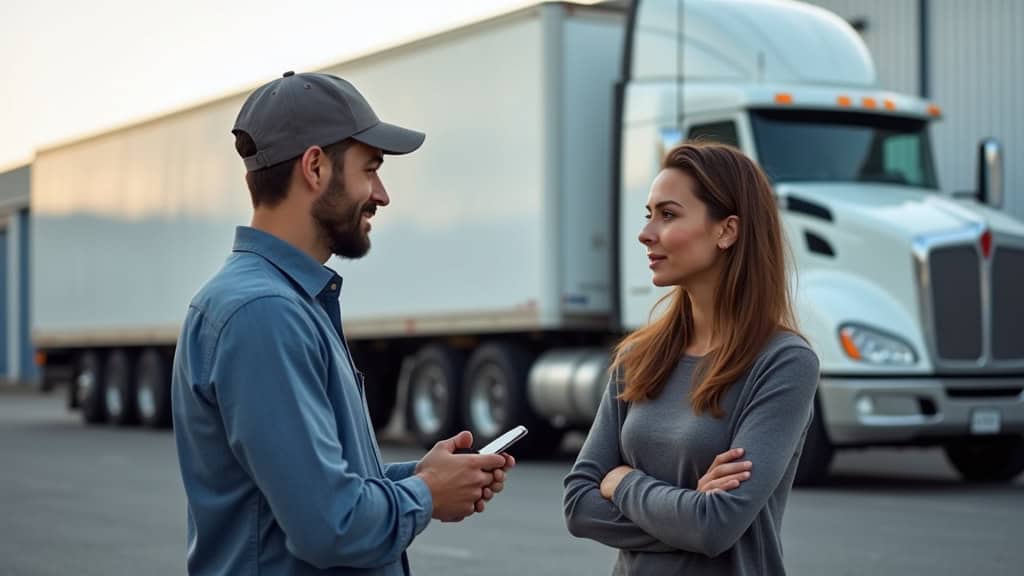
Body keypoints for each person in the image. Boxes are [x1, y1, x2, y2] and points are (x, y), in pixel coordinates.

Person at [171, 71, 513, 576]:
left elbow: (312, 488)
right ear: (314, 167)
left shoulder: (282, 301)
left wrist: (419, 476)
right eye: (370, 169)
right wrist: (426, 493)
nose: (381, 194)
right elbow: (331, 528)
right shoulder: (264, 314)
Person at [563, 142, 819, 575]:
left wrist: (624, 481)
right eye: (649, 215)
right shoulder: (638, 357)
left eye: (668, 215)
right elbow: (579, 504)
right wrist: (687, 512)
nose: (646, 233)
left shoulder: (783, 363)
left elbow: (714, 527)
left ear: (727, 231)